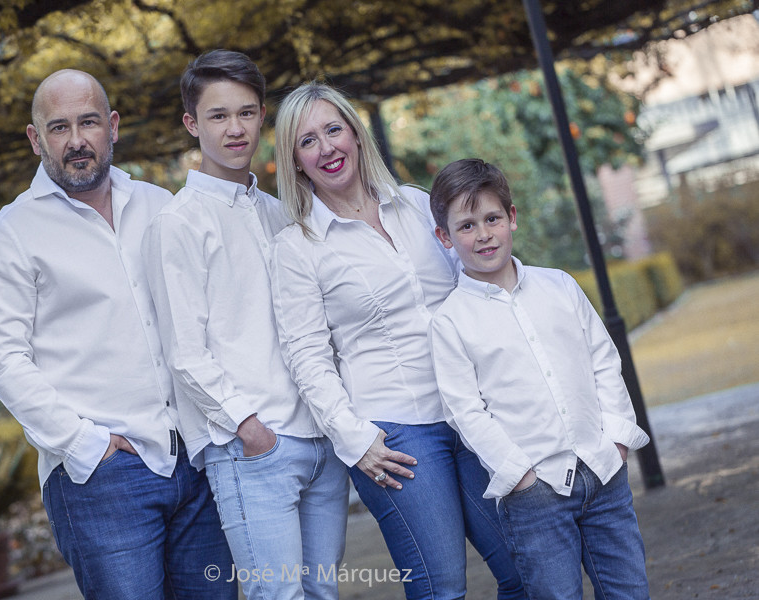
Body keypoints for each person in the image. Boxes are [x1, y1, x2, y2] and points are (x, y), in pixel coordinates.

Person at [0, 69, 236, 600]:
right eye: (59, 127)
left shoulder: (160, 206)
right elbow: (1, 361)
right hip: (102, 479)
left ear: (112, 126)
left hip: (196, 458)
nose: (76, 140)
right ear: (35, 138)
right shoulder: (10, 235)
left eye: (88, 122)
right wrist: (86, 445)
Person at [269, 81, 525, 600]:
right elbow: (306, 357)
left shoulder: (417, 207)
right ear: (295, 161)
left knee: (528, 570)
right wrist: (354, 439)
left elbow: (480, 286)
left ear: (357, 134)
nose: (327, 148)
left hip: (470, 415)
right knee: (441, 589)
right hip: (395, 435)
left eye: (334, 130)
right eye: (307, 141)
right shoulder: (296, 249)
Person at [142, 51, 350, 600]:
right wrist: (249, 429)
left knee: (321, 594)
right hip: (255, 449)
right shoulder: (178, 223)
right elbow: (185, 352)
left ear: (262, 117)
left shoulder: (280, 212)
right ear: (192, 123)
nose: (235, 128)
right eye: (217, 115)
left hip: (320, 442)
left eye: (246, 113)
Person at [427, 158, 651, 599]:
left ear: (512, 218)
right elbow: (466, 411)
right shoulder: (450, 321)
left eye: (492, 218)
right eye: (467, 226)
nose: (484, 234)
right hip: (535, 495)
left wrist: (618, 439)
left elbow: (603, 360)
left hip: (603, 471)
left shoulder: (560, 287)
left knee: (629, 591)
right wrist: (519, 473)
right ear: (445, 238)